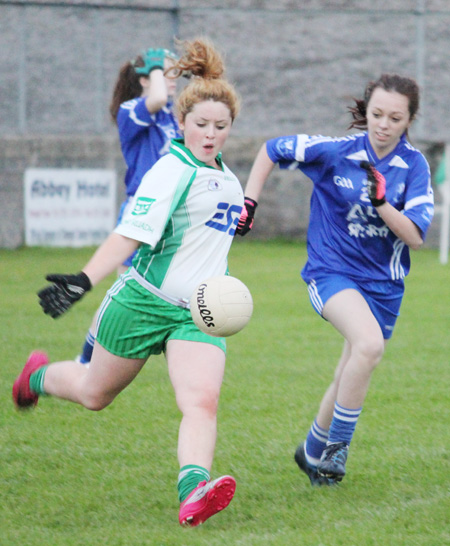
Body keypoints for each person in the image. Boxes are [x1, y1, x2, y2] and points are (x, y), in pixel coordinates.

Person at [13, 38, 243, 527]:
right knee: (95, 394)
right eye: (200, 125)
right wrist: (83, 279)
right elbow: (129, 235)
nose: (210, 134)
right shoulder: (170, 169)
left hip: (197, 311)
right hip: (142, 300)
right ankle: (35, 378)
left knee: (202, 400)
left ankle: (194, 490)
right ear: (181, 125)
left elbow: (210, 229)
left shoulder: (227, 178)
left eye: (220, 127)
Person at [236, 74, 434, 485]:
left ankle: (311, 451)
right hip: (331, 272)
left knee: (352, 366)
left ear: (409, 120)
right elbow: (270, 150)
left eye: (395, 118)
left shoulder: (413, 166)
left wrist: (381, 203)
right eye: (377, 113)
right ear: (367, 110)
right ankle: (337, 448)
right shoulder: (336, 152)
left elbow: (415, 236)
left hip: (383, 286)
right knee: (368, 345)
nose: (383, 124)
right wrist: (248, 201)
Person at [77, 46, 181, 365]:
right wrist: (154, 72)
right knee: (123, 294)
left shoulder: (170, 113)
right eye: (167, 72)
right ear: (147, 79)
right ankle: (85, 362)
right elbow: (159, 97)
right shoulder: (133, 109)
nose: (175, 79)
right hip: (144, 211)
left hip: (172, 216)